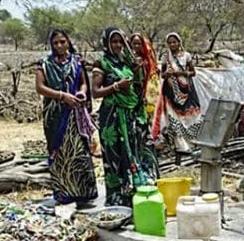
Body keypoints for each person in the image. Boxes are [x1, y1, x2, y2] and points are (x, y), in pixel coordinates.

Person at [92, 27, 158, 207]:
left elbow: (137, 87)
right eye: (113, 41)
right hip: (111, 118)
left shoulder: (126, 63)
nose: (117, 45)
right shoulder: (102, 63)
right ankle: (116, 197)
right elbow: (95, 92)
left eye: (120, 41)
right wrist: (116, 86)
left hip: (129, 116)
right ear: (106, 43)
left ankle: (130, 195)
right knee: (114, 156)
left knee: (131, 153)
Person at [35, 29, 98, 209]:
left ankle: (83, 193)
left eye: (63, 42)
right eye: (56, 43)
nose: (60, 46)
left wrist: (81, 93)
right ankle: (64, 193)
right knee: (59, 152)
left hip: (75, 113)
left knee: (79, 151)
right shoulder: (44, 63)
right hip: (55, 114)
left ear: (68, 42)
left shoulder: (77, 61)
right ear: (51, 45)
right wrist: (63, 96)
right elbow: (40, 87)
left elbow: (83, 82)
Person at [151, 32, 202, 153]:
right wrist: (167, 74)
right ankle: (180, 146)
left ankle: (192, 143)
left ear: (179, 42)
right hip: (170, 91)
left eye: (174, 42)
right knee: (174, 117)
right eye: (169, 43)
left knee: (191, 115)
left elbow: (193, 73)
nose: (172, 44)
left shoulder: (187, 56)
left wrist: (182, 74)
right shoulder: (165, 57)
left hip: (187, 90)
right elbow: (162, 74)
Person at [129, 33, 159, 118]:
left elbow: (151, 70)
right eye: (134, 43)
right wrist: (137, 67)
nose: (137, 46)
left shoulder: (146, 57)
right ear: (130, 44)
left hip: (145, 87)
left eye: (139, 43)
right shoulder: (128, 58)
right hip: (132, 87)